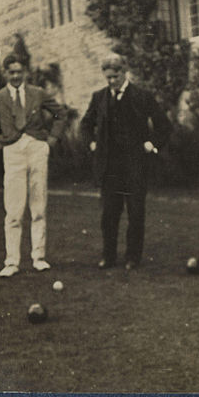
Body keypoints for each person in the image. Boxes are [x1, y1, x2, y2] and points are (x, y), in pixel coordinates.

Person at [0, 54, 67, 277]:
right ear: (5, 73)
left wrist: (52, 139)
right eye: (11, 72)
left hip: (36, 148)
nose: (15, 76)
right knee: (13, 209)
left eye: (19, 71)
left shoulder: (37, 93)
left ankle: (39, 257)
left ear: (26, 72)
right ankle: (12, 261)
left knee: (38, 204)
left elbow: (60, 114)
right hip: (12, 151)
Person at [80, 53, 172, 270]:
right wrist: (92, 144)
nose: (111, 81)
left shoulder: (142, 96)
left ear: (124, 72)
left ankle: (133, 257)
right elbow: (85, 125)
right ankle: (108, 256)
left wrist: (152, 143)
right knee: (109, 215)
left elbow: (164, 125)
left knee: (135, 213)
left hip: (135, 166)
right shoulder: (99, 97)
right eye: (108, 78)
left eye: (115, 76)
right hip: (109, 168)